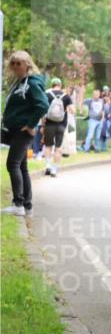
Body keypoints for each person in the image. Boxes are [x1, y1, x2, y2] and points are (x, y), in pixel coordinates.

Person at [2, 51, 49, 217]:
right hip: (14, 129)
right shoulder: (20, 82)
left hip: (23, 130)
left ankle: (18, 204)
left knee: (12, 164)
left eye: (19, 63)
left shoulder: (32, 83)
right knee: (21, 167)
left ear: (27, 64)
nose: (15, 66)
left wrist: (30, 124)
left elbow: (43, 104)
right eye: (13, 63)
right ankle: (27, 206)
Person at [41, 77, 75, 176]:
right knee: (58, 147)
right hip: (61, 125)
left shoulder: (47, 95)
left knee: (48, 145)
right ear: (60, 85)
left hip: (49, 124)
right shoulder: (66, 96)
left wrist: (43, 125)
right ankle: (54, 170)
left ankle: (47, 166)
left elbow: (43, 112)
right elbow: (73, 110)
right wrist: (65, 109)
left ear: (52, 85)